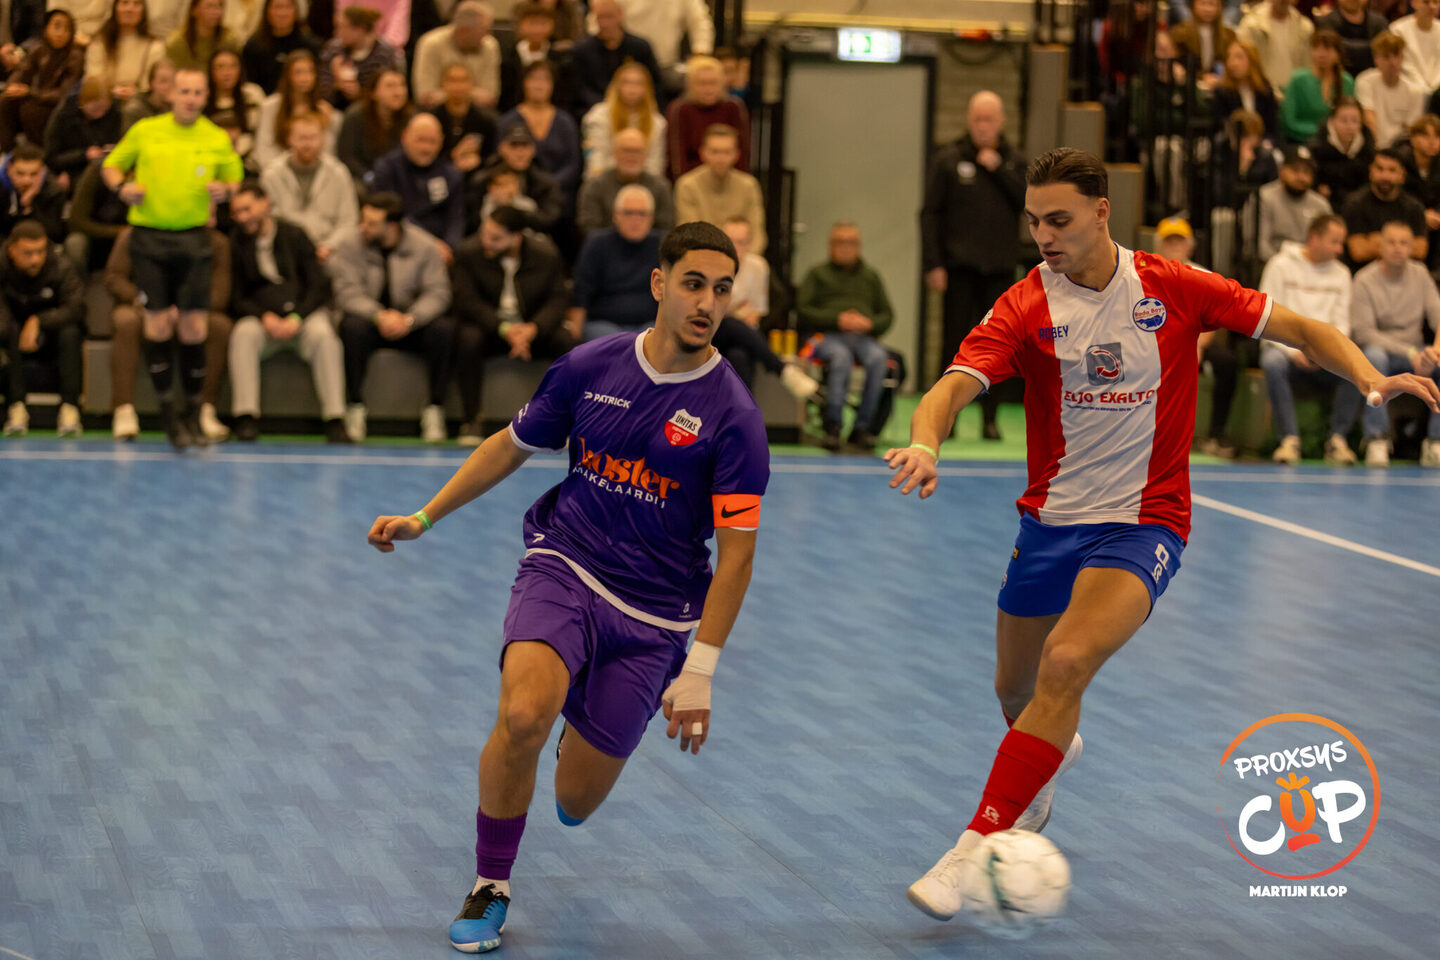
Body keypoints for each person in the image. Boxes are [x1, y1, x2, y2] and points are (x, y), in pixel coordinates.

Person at [887, 150, 1439, 932]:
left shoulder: (1174, 286)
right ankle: (1048, 749)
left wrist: (1369, 379)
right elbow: (949, 389)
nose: (1044, 235)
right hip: (1050, 524)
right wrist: (925, 442)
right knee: (1017, 692)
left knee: (1065, 664)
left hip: (1145, 520)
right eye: (1035, 222)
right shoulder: (1024, 304)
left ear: (1102, 211)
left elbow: (1303, 329)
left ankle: (971, 848)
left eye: (1059, 220)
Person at [365, 221, 768, 958]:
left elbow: (737, 555)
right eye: (693, 284)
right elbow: (510, 446)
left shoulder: (735, 417)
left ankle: (578, 713)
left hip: (654, 614)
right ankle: (490, 885)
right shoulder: (590, 365)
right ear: (659, 284)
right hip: (567, 563)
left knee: (575, 801)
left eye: (721, 289)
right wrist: (425, 517)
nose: (708, 302)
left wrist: (702, 671)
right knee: (523, 713)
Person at [102, 64, 244, 449]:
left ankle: (193, 413)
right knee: (158, 325)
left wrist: (226, 190)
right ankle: (167, 414)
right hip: (149, 238)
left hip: (194, 239)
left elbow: (234, 177)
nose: (191, 99)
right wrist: (122, 188)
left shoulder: (215, 137)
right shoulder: (146, 130)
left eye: (198, 93)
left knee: (195, 327)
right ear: (171, 94)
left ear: (206, 97)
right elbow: (111, 165)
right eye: (185, 92)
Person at [922, 90, 1025, 440]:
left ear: (1001, 122)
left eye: (989, 119)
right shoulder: (948, 159)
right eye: (978, 119)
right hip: (958, 269)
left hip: (999, 270)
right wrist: (933, 263)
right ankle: (946, 416)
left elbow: (1028, 204)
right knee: (953, 343)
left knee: (996, 346)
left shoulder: (1015, 162)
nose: (983, 126)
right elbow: (930, 214)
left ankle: (990, 419)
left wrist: (999, 170)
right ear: (969, 120)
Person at [226, 179, 347, 443]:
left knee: (325, 338)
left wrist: (297, 316)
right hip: (262, 320)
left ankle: (335, 419)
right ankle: (245, 417)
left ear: (265, 204)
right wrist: (263, 316)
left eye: (247, 209)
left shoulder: (295, 235)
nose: (242, 218)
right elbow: (236, 297)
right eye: (236, 212)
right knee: (243, 335)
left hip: (302, 317)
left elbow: (318, 286)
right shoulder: (236, 243)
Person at [331, 190, 455, 443]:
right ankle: (355, 407)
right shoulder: (350, 244)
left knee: (444, 330)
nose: (364, 227)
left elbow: (439, 293)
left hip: (411, 323)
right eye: (363, 220)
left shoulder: (425, 246)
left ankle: (434, 408)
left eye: (372, 223)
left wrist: (410, 319)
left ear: (392, 225)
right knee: (351, 327)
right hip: (370, 321)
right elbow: (346, 292)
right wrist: (379, 315)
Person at [450, 204, 574, 443]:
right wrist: (505, 329)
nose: (486, 242)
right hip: (490, 328)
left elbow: (558, 299)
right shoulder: (468, 253)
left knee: (567, 344)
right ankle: (471, 421)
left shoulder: (546, 255)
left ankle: (566, 422)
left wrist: (534, 328)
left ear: (517, 237)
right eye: (485, 234)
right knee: (467, 339)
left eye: (496, 238)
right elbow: (466, 301)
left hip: (532, 329)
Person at [104, 224, 233, 440]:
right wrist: (146, 301)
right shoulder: (134, 235)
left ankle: (203, 411)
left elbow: (219, 292)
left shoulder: (216, 242)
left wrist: (185, 307)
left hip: (192, 307)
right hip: (142, 305)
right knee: (126, 322)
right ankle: (123, 410)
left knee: (219, 326)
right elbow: (114, 278)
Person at [1258, 213, 1364, 463]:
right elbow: (1266, 317)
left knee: (1358, 363)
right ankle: (1289, 440)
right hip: (1286, 350)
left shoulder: (1342, 273)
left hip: (1325, 354)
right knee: (1272, 362)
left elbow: (1342, 324)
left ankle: (1337, 440)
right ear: (1313, 238)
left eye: (1341, 243)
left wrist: (1323, 352)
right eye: (1334, 242)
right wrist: (1296, 350)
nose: (1340, 249)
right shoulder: (1279, 265)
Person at [796, 221, 895, 452]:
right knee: (840, 358)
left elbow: (888, 315)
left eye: (851, 242)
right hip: (827, 336)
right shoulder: (817, 274)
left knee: (879, 358)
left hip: (864, 337)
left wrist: (869, 324)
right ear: (830, 245)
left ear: (859, 246)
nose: (845, 247)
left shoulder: (870, 276)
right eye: (840, 242)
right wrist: (837, 319)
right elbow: (803, 310)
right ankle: (833, 426)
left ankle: (862, 428)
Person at [1349, 218, 1440, 464]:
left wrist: (1435, 352)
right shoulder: (1365, 279)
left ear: (1412, 248)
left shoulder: (1420, 274)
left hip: (1417, 353)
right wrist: (1410, 352)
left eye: (1404, 243)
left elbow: (1438, 316)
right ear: (1381, 246)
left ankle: (1436, 442)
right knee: (1372, 356)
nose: (1398, 248)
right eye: (1391, 242)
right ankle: (1376, 439)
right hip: (1384, 352)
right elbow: (1363, 332)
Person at [713, 215, 818, 400]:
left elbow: (755, 312)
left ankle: (742, 414)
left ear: (750, 242)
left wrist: (735, 311)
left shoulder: (758, 266)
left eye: (741, 242)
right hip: (714, 331)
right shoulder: (711, 266)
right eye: (730, 241)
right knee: (730, 323)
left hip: (743, 335)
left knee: (739, 356)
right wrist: (736, 312)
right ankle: (782, 370)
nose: (735, 248)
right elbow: (714, 310)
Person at [0, 220, 84, 438]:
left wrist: (39, 321)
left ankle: (70, 408)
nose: (35, 259)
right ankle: (16, 407)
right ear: (12, 250)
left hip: (51, 334)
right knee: (8, 331)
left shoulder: (61, 266)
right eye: (28, 253)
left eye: (40, 252)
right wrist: (17, 330)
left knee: (71, 332)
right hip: (11, 337)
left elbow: (76, 308)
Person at [259, 110, 357, 263]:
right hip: (286, 251)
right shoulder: (272, 175)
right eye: (301, 138)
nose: (307, 144)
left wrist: (329, 246)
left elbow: (349, 220)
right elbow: (269, 218)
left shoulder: (338, 173)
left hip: (330, 250)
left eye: (312, 137)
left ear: (322, 139)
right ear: (289, 139)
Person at [567, 184, 662, 341]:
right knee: (615, 343)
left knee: (656, 339)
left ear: (652, 218)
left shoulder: (662, 245)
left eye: (642, 213)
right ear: (615, 216)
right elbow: (581, 293)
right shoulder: (597, 243)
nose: (635, 219)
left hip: (650, 324)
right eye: (628, 213)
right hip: (603, 324)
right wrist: (574, 338)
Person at [368, 111, 464, 259]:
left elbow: (456, 218)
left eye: (432, 142)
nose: (426, 148)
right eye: (420, 140)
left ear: (441, 142)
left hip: (444, 252)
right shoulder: (387, 169)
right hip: (401, 246)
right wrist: (431, 245)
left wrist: (450, 246)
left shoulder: (451, 174)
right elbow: (394, 216)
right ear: (405, 137)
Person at [0, 10, 84, 153]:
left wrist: (30, 92)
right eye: (57, 26)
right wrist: (11, 88)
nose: (61, 33)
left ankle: (39, 154)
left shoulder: (75, 56)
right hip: (37, 97)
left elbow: (63, 94)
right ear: (46, 28)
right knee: (5, 101)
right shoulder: (38, 49)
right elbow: (21, 72)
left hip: (58, 105)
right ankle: (8, 152)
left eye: (67, 29)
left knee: (30, 110)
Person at [673, 124, 764, 254]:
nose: (721, 158)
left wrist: (742, 257)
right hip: (701, 256)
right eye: (715, 152)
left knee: (759, 264)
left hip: (742, 257)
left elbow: (757, 236)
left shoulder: (748, 185)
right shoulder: (688, 185)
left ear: (736, 154)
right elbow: (690, 235)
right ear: (703, 153)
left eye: (727, 152)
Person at [497, 59, 580, 200]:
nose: (539, 85)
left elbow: (573, 164)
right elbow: (499, 160)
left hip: (559, 193)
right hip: (516, 194)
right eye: (533, 79)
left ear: (553, 85)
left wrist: (549, 186)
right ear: (524, 83)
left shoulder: (565, 122)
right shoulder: (507, 121)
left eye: (545, 80)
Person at [575, 126, 672, 239]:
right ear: (614, 153)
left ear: (646, 154)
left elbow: (666, 227)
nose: (631, 156)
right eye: (626, 150)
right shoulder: (594, 186)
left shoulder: (661, 187)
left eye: (637, 151)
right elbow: (589, 227)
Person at [465, 124, 562, 236]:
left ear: (533, 149)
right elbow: (471, 219)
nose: (520, 153)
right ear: (501, 148)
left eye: (525, 146)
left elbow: (550, 220)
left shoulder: (545, 183)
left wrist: (513, 211)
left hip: (530, 238)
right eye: (514, 146)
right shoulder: (483, 180)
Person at [598, 0, 713, 93]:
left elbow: (699, 21)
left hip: (666, 65)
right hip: (624, 64)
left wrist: (700, 53)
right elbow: (600, 14)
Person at [1342, 147, 1429, 267]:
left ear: (1402, 175)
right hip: (1362, 273)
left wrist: (1376, 240)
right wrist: (1403, 244)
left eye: (1392, 170)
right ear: (1371, 172)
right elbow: (1358, 252)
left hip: (1404, 273)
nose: (1385, 176)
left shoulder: (1414, 207)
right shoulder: (1355, 204)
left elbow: (1420, 251)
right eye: (1379, 169)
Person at [571, 0, 661, 115]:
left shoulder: (640, 47)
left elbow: (654, 85)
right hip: (597, 112)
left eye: (609, 16)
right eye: (600, 17)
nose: (605, 23)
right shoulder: (582, 50)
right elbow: (580, 90)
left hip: (637, 111)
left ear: (621, 15)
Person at [580, 60, 665, 180]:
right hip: (605, 181)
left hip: (643, 182)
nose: (632, 88)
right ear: (617, 86)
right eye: (626, 82)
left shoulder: (657, 122)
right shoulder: (598, 116)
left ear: (647, 88)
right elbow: (595, 158)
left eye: (639, 83)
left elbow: (655, 165)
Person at [252, 49, 336, 171]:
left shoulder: (323, 109)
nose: (305, 78)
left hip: (315, 171)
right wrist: (279, 173)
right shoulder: (270, 106)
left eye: (310, 71)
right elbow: (264, 148)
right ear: (288, 76)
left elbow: (328, 150)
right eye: (298, 72)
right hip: (278, 172)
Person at [665, 55, 747, 178]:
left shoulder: (734, 107)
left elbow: (743, 151)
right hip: (690, 180)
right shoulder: (679, 109)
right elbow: (676, 156)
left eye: (713, 83)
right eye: (702, 83)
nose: (708, 89)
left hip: (729, 178)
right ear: (690, 85)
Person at [411, 0, 500, 110]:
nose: (488, 35)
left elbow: (491, 98)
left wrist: (448, 94)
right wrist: (469, 94)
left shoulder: (489, 45)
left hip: (478, 113)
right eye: (484, 30)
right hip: (435, 112)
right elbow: (425, 97)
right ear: (464, 31)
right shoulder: (430, 43)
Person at [319, 5, 405, 111]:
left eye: (342, 27)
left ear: (359, 30)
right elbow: (321, 92)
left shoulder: (384, 54)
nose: (336, 33)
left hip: (371, 112)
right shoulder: (333, 51)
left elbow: (389, 94)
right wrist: (337, 83)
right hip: (334, 109)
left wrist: (359, 93)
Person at [86, 0, 168, 107]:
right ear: (115, 8)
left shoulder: (155, 46)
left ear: (143, 11)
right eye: (124, 3)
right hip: (103, 101)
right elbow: (93, 78)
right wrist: (112, 91)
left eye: (136, 4)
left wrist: (136, 93)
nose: (129, 9)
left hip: (140, 104)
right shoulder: (100, 43)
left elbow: (150, 85)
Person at [1258, 144, 1334, 259]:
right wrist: (1284, 266)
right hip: (1274, 262)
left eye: (1306, 172)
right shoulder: (1264, 197)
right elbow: (1260, 246)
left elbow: (1328, 245)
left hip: (1311, 264)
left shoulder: (1321, 205)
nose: (1301, 177)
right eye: (1295, 170)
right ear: (1281, 171)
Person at [336, 65, 412, 181]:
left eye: (402, 85)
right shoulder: (355, 116)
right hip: (363, 179)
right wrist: (370, 178)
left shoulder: (411, 118)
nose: (398, 92)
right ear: (374, 92)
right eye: (390, 86)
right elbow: (347, 157)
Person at [496, 2, 574, 113]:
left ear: (552, 26)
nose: (537, 29)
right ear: (521, 25)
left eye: (542, 24)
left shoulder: (559, 58)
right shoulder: (508, 57)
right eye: (532, 24)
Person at [44, 78, 124, 185]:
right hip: (71, 169)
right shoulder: (65, 116)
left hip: (103, 167)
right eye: (95, 109)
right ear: (82, 102)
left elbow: (118, 143)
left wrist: (108, 150)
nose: (100, 113)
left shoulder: (114, 113)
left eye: (104, 109)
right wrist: (84, 155)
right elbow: (51, 158)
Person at [1282, 30, 1354, 145]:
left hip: (1337, 143)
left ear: (1338, 54)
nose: (1321, 54)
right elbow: (1289, 121)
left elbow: (1351, 116)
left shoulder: (1347, 82)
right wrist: (1324, 132)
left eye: (1327, 49)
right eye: (1316, 48)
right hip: (1301, 141)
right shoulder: (1298, 80)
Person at [1356, 30, 1425, 148]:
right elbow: (1369, 118)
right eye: (1386, 57)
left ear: (1403, 57)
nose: (1393, 62)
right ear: (1376, 59)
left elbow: (1411, 130)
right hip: (1372, 145)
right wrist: (1375, 149)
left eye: (1397, 56)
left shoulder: (1415, 90)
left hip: (1400, 148)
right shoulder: (1365, 81)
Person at [428, 63, 497, 174]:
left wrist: (479, 162)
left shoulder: (486, 120)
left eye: (463, 80)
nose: (458, 86)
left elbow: (493, 156)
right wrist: (453, 155)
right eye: (452, 80)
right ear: (442, 84)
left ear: (473, 84)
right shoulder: (431, 119)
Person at [1237, 0, 1315, 98]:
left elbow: (1308, 66)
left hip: (1294, 95)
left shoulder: (1305, 28)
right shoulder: (1251, 25)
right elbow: (1244, 62)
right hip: (1262, 93)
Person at [242, 0, 321, 95]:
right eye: (278, 7)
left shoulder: (310, 45)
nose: (283, 13)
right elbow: (249, 85)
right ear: (267, 11)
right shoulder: (254, 46)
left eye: (288, 7)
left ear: (296, 11)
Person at [66, 156, 131, 271]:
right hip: (96, 239)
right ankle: (77, 282)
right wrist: (120, 232)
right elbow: (76, 221)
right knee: (75, 243)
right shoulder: (97, 171)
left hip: (134, 241)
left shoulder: (151, 173)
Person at [203, 48, 264, 166]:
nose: (227, 72)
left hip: (249, 163)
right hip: (211, 162)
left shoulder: (253, 94)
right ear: (211, 71)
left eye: (233, 66)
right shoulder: (203, 98)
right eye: (220, 67)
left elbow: (262, 135)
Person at [0, 143, 68, 243]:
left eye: (34, 174)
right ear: (8, 169)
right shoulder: (1, 188)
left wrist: (28, 208)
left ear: (43, 171)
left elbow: (53, 233)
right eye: (20, 173)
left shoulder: (53, 191)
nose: (27, 180)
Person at [1311, 96, 1376, 199]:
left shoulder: (1367, 145)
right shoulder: (1318, 145)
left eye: (1355, 121)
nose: (1349, 126)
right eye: (1343, 120)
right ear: (1332, 120)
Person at [1213, 39, 1280, 137]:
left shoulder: (1265, 91)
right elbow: (1221, 127)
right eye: (1229, 57)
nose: (1232, 63)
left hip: (1262, 142)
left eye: (1239, 57)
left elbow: (1272, 128)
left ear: (1252, 60)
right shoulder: (1222, 92)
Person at [1315, 0, 1390, 76]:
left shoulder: (1379, 22)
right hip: (1338, 78)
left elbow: (1385, 49)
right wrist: (1371, 47)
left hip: (1375, 76)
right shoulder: (1325, 23)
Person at [1170, 0, 1236, 81]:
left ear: (1220, 7)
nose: (1207, 9)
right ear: (1193, 6)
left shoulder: (1229, 35)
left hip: (1219, 84)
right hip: (1188, 81)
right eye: (1203, 3)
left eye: (1212, 4)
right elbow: (1174, 61)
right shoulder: (1179, 33)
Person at [164, 0, 239, 71]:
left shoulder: (229, 39)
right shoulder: (177, 43)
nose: (216, 12)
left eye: (219, 6)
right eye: (209, 6)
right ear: (194, 10)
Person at [1393, 0, 1440, 91]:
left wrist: (1435, 89)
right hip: (1408, 89)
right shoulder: (1398, 30)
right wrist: (1423, 89)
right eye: (1426, 2)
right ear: (1414, 3)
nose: (1432, 7)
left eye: (1435, 2)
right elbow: (1405, 65)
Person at [122, 58, 176, 129]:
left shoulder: (176, 108)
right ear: (151, 84)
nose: (169, 86)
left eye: (173, 81)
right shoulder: (135, 111)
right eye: (163, 81)